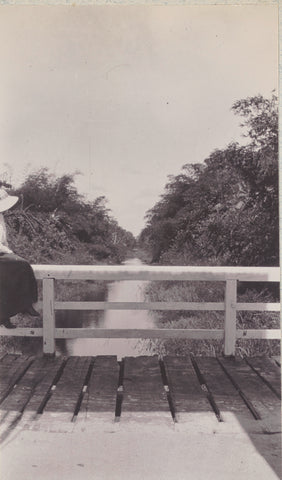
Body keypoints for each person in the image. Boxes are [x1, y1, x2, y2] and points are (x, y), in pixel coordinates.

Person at [0, 187, 39, 328]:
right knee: (23, 265)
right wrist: (9, 253)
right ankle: (26, 305)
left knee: (9, 277)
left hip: (2, 253)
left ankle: (10, 313)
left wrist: (9, 251)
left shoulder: (1, 217)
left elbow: (4, 241)